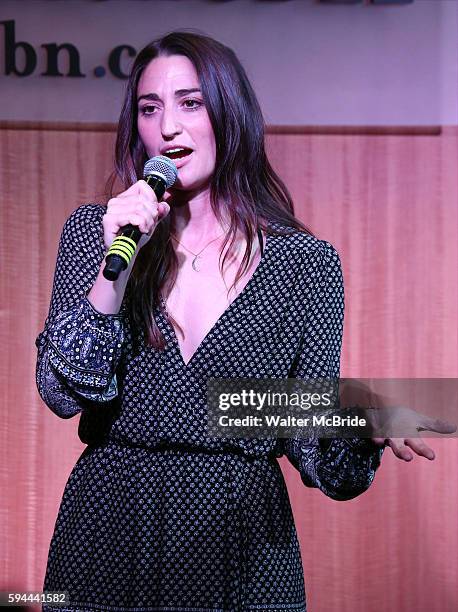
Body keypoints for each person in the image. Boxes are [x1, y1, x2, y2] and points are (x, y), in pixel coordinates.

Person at [35, 30, 440, 612]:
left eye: (190, 103)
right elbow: (62, 391)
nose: (168, 125)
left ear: (230, 112)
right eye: (150, 109)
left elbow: (306, 437)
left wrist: (357, 427)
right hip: (109, 528)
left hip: (241, 540)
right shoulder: (94, 234)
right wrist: (113, 266)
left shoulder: (305, 265)